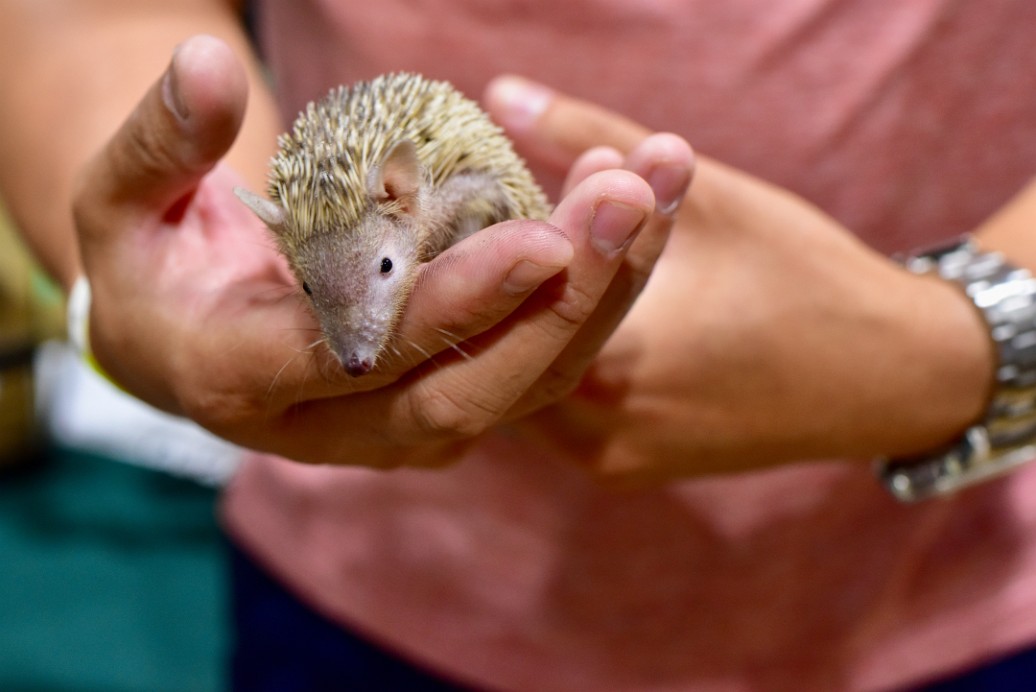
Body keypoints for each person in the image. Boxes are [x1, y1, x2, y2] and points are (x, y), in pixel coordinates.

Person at [3, 0, 1036, 689]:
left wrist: (966, 341)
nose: (353, 350)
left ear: (404, 197)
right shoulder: (355, 224)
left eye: (370, 288)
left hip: (962, 597)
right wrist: (130, 288)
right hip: (369, 581)